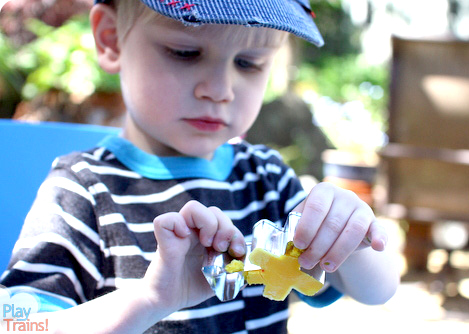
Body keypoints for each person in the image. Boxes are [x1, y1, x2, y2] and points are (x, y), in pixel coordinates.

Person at [0, 0, 400, 333]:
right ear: (110, 39)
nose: (220, 89)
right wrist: (150, 299)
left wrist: (354, 232)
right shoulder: (81, 191)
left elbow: (377, 291)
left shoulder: (268, 180)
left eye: (248, 63)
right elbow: (18, 325)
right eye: (186, 53)